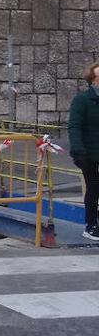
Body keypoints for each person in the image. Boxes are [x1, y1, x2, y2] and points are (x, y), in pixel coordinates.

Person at [68, 61, 99, 242]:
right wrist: (78, 151)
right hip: (90, 154)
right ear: (93, 81)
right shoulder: (82, 100)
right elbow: (74, 126)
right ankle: (91, 225)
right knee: (94, 188)